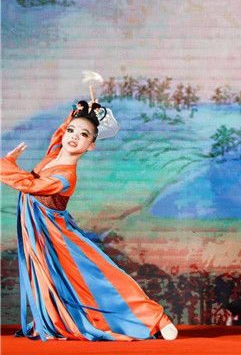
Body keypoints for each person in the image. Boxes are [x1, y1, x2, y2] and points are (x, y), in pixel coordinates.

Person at [0, 101, 178, 341]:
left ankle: (155, 318)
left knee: (100, 274)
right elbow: (60, 134)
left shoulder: (66, 176)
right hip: (39, 234)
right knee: (49, 280)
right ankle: (56, 320)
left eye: (84, 135)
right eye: (71, 131)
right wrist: (79, 112)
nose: (74, 136)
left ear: (91, 145)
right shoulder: (53, 154)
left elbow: (30, 184)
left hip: (57, 236)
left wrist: (5, 165)